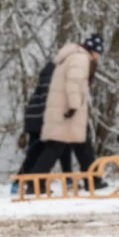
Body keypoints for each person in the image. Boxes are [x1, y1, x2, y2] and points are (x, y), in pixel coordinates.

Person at [29, 33, 104, 183]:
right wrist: (74, 106)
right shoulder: (80, 58)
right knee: (56, 146)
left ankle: (93, 180)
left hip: (61, 108)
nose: (98, 56)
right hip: (67, 110)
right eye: (98, 52)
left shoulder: (72, 56)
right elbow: (73, 83)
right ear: (92, 49)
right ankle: (35, 183)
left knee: (81, 144)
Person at [12, 58, 73, 193]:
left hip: (36, 120)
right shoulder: (52, 78)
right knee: (42, 151)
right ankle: (22, 183)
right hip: (41, 121)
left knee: (38, 152)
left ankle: (20, 183)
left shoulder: (49, 76)